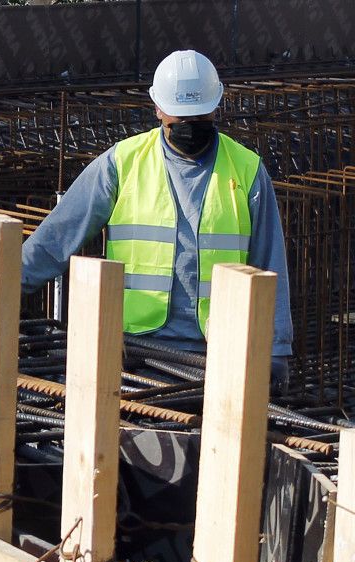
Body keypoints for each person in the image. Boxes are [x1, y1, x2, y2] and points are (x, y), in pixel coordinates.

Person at [21, 50, 292, 387]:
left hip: (221, 354)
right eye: (180, 118)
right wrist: (3, 283)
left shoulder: (247, 169)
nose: (189, 127)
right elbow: (57, 238)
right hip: (135, 354)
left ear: (215, 107)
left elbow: (270, 264)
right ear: (158, 109)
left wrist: (276, 348)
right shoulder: (122, 163)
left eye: (198, 117)